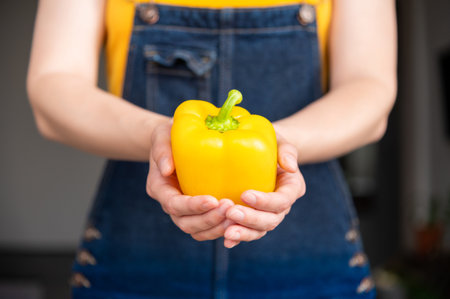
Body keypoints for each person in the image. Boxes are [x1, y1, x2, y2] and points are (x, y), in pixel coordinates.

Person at [27, 0, 397, 298]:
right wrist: (160, 135)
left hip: (310, 259)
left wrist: (280, 146)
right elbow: (53, 84)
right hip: (137, 257)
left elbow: (370, 87)